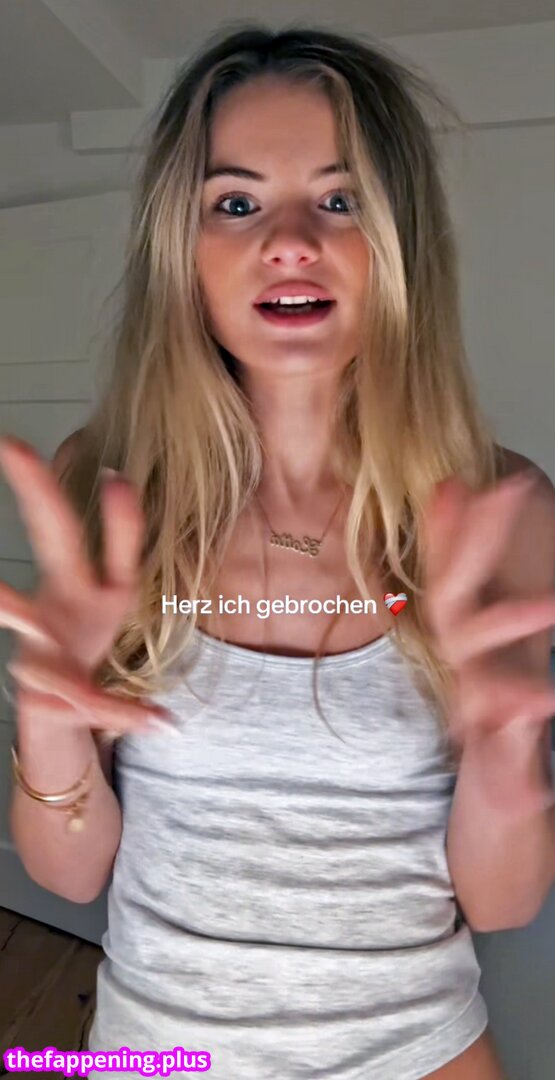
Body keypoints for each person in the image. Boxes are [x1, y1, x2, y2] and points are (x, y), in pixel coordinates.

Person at [1, 23, 554, 1080]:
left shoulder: (504, 508)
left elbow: (501, 902)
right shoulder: (111, 486)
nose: (290, 241)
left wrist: (503, 757)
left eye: (339, 201)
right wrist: (51, 727)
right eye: (236, 203)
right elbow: (70, 880)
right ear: (184, 250)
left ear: (398, 239)